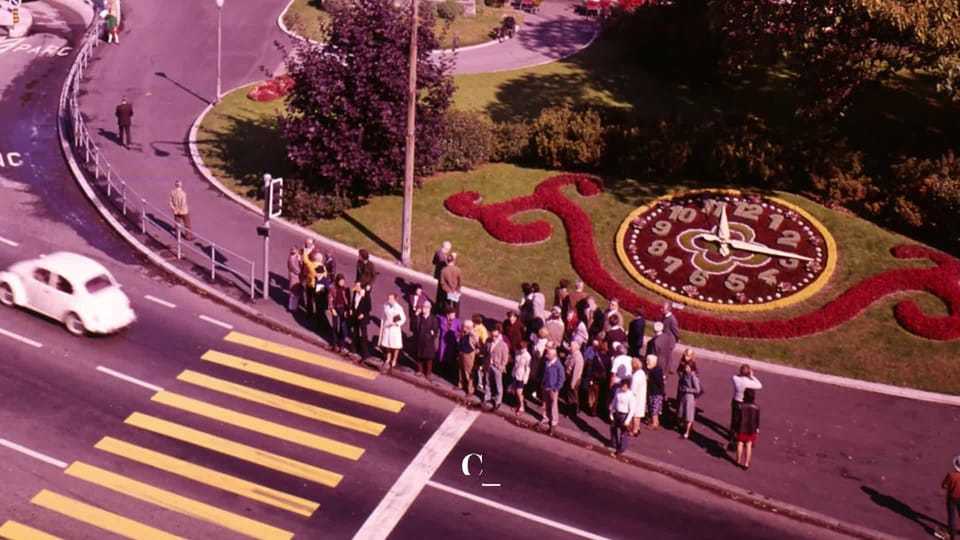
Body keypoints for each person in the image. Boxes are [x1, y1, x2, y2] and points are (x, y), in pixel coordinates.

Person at [729, 364, 763, 449]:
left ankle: (733, 437)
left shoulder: (736, 379)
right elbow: (759, 385)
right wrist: (752, 376)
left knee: (734, 420)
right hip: (745, 403)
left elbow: (734, 375)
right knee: (744, 420)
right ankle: (744, 438)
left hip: (736, 401)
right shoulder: (749, 382)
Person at [539, 348, 565, 434]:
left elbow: (562, 378)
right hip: (545, 386)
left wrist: (556, 388)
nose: (546, 355)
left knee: (553, 406)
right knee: (546, 403)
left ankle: (553, 423)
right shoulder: (547, 362)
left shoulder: (559, 366)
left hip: (553, 388)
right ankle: (546, 418)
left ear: (553, 356)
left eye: (548, 354)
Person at [483, 326, 509, 410]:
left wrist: (501, 367)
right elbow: (485, 353)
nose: (493, 338)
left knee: (498, 385)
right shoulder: (488, 341)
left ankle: (498, 401)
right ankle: (487, 397)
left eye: (496, 336)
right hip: (488, 364)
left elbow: (505, 358)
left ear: (499, 335)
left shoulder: (503, 345)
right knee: (487, 381)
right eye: (492, 335)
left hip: (497, 367)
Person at [378, 293, 405, 372]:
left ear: (395, 299)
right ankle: (388, 358)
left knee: (396, 345)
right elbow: (383, 316)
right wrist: (382, 325)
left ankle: (394, 360)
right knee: (388, 344)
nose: (389, 300)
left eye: (391, 299)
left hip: (395, 329)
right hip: (387, 327)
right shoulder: (385, 305)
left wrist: (397, 323)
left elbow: (403, 318)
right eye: (388, 298)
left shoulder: (399, 308)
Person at [608, 379, 636, 455]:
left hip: (624, 415)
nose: (623, 388)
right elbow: (614, 401)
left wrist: (627, 420)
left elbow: (632, 410)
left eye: (624, 387)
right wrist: (611, 411)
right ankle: (614, 443)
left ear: (628, 387)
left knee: (623, 433)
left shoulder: (630, 396)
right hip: (617, 413)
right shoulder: (618, 391)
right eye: (622, 386)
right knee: (612, 428)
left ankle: (622, 447)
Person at [735, 388, 761, 470]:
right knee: (749, 445)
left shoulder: (740, 406)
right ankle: (746, 463)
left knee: (740, 443)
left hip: (741, 428)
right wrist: (757, 428)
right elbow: (757, 419)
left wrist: (735, 428)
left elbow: (737, 419)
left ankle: (738, 460)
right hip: (751, 428)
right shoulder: (756, 407)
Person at [412, 302, 439, 379]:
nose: (423, 309)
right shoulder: (419, 317)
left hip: (428, 341)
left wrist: (432, 336)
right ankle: (420, 370)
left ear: (429, 309)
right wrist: (416, 315)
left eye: (425, 307)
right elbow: (414, 326)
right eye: (423, 307)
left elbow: (436, 330)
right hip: (420, 339)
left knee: (428, 358)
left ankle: (428, 372)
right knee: (419, 356)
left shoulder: (433, 318)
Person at [676, 360, 702, 439]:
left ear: (691, 368)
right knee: (682, 412)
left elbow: (698, 390)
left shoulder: (693, 377)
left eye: (687, 367)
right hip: (683, 396)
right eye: (685, 366)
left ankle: (687, 432)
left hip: (690, 397)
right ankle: (684, 428)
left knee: (689, 415)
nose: (685, 368)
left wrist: (688, 390)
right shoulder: (684, 374)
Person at [347, 282, 372, 362]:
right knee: (355, 332)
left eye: (357, 286)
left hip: (362, 318)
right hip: (355, 315)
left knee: (363, 334)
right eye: (355, 285)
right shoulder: (355, 293)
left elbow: (369, 307)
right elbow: (353, 303)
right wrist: (351, 309)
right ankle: (354, 349)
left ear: (361, 287)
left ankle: (365, 353)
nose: (355, 287)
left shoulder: (366, 295)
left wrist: (363, 314)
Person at [457, 320, 480, 399]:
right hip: (461, 352)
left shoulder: (473, 335)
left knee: (469, 372)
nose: (463, 327)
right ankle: (461, 384)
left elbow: (478, 344)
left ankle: (470, 390)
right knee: (461, 370)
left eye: (465, 326)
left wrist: (475, 352)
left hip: (469, 354)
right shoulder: (463, 333)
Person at [329, 274, 350, 353]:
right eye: (341, 281)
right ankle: (335, 343)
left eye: (343, 281)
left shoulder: (345, 290)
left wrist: (347, 310)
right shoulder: (333, 289)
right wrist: (332, 309)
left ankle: (342, 344)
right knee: (335, 326)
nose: (342, 283)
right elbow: (330, 299)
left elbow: (348, 301)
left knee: (342, 326)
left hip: (343, 309)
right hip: (336, 308)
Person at [510, 340, 531, 416]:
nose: (522, 350)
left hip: (521, 376)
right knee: (515, 391)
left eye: (523, 348)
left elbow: (528, 368)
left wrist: (526, 378)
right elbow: (515, 363)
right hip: (515, 373)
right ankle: (517, 405)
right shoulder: (517, 352)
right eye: (521, 348)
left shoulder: (528, 356)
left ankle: (522, 406)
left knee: (519, 393)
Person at [438, 310, 462, 375]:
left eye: (454, 314)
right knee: (442, 354)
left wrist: (457, 336)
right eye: (452, 314)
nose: (454, 316)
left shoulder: (457, 321)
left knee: (450, 355)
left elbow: (461, 331)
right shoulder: (442, 319)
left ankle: (449, 370)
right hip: (443, 341)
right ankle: (441, 369)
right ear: (448, 315)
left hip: (451, 341)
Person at [941, 456, 960, 540]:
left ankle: (952, 535)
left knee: (952, 515)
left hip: (952, 497)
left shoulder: (951, 475)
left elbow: (944, 485)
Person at [564, 340, 584, 415]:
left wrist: (572, 383)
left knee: (573, 396)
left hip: (574, 379)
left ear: (576, 348)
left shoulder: (578, 357)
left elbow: (576, 372)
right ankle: (570, 409)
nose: (570, 348)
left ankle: (573, 411)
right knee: (570, 395)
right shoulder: (573, 354)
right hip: (570, 377)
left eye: (571, 347)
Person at [645, 354, 665, 430]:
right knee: (654, 408)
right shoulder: (655, 370)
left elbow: (659, 382)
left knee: (654, 408)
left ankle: (654, 423)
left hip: (655, 393)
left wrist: (648, 379)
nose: (646, 362)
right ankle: (656, 422)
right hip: (654, 392)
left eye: (648, 361)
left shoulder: (655, 371)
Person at [628, 357, 647, 436]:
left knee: (635, 415)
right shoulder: (642, 372)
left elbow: (633, 389)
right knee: (638, 414)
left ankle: (634, 430)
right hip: (641, 396)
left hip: (636, 398)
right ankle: (637, 428)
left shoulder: (636, 376)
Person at [286, 247, 302, 312]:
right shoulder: (292, 258)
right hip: (294, 277)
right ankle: (292, 308)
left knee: (295, 292)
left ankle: (293, 307)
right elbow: (296, 270)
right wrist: (301, 272)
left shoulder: (292, 256)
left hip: (293, 276)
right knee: (294, 292)